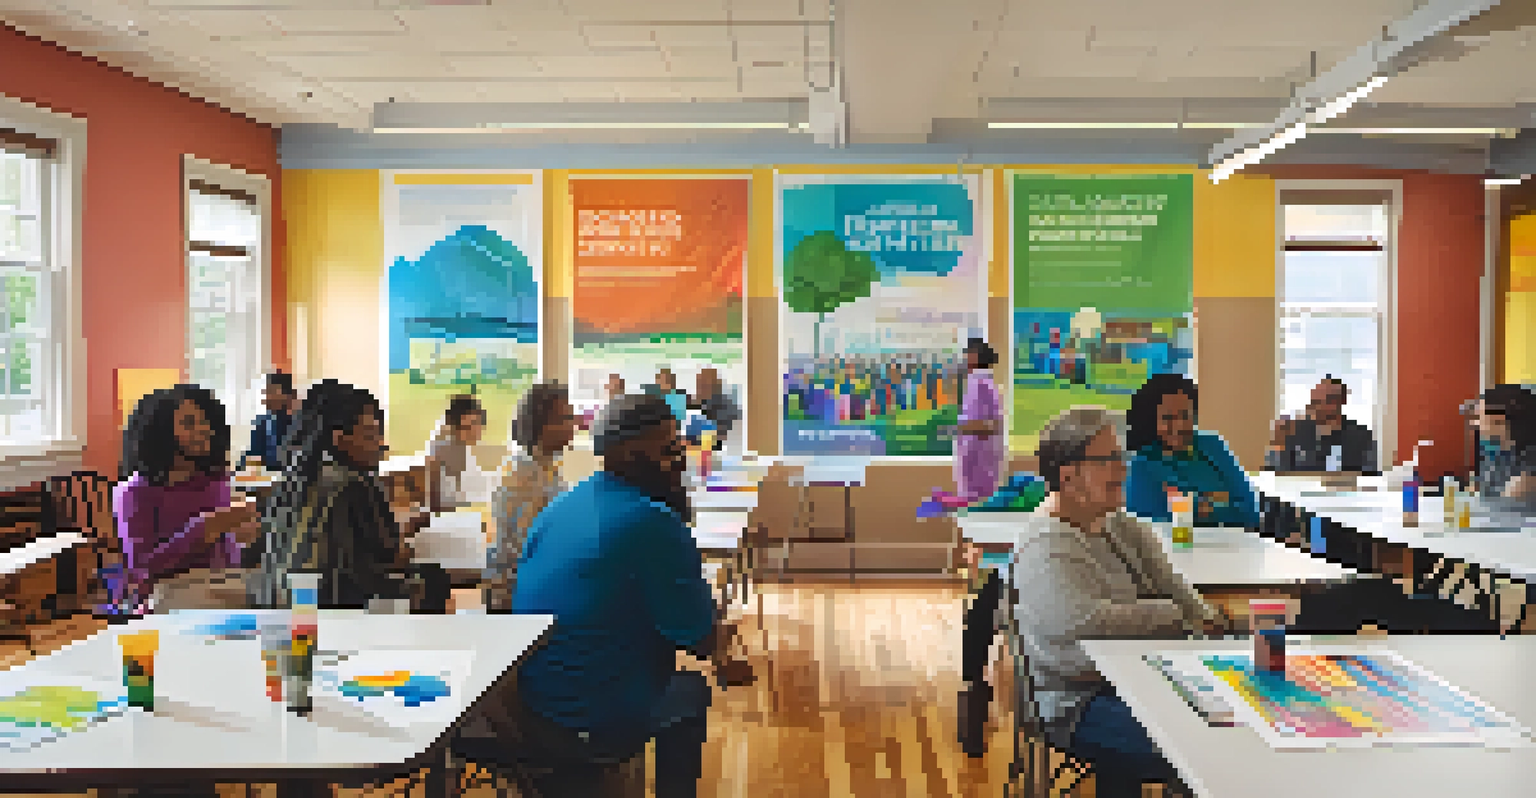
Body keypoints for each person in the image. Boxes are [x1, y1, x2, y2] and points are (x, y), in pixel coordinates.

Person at [508, 393, 751, 798]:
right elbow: (700, 640)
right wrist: (723, 642)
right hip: (587, 719)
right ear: (627, 454)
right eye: (669, 449)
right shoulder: (651, 521)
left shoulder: (565, 504)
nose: (679, 458)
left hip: (534, 701)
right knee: (690, 693)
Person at [1015, 406, 1224, 797]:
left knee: (1229, 726)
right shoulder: (1046, 548)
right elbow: (1086, 632)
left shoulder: (1118, 524)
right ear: (1068, 474)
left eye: (1121, 455)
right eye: (1109, 459)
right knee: (1203, 745)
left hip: (1143, 678)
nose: (1123, 467)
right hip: (1075, 704)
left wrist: (1204, 617)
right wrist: (1175, 618)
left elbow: (1171, 584)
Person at [254, 380, 416, 609]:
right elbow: (391, 557)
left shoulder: (290, 480)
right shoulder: (354, 484)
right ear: (339, 439)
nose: (381, 444)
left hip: (279, 611)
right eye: (371, 435)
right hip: (337, 615)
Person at [114, 385, 262, 610]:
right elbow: (142, 566)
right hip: (168, 593)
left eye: (205, 421)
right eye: (189, 424)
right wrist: (204, 530)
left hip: (226, 585)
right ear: (159, 432)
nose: (204, 430)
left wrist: (243, 535)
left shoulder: (215, 479)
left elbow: (226, 551)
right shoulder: (135, 492)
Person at [486, 381, 578, 612]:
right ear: (540, 425)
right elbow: (527, 547)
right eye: (564, 419)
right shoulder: (524, 477)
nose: (573, 425)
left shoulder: (545, 467)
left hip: (534, 586)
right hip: (520, 596)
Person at [1125, 374, 1260, 527]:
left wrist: (1191, 505)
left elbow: (1250, 510)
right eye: (1168, 418)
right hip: (1172, 549)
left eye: (1185, 415)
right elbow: (1151, 524)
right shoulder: (1142, 464)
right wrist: (1217, 501)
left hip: (1232, 545)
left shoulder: (1213, 446)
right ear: (1152, 420)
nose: (1179, 426)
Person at [1266, 377, 1379, 474]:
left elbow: (1372, 476)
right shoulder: (1296, 431)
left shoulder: (1361, 436)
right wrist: (1277, 447)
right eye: (1313, 402)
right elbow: (1276, 472)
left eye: (1319, 402)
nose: (1313, 408)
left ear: (1339, 402)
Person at [425, 394, 488, 512]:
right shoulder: (445, 450)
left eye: (478, 423)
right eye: (468, 426)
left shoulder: (462, 448)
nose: (477, 431)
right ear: (454, 426)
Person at [1473, 384, 1536, 501]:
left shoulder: (1529, 462)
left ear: (1500, 421)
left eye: (1480, 418)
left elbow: (1507, 502)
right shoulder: (1494, 450)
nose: (1476, 423)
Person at [238, 371, 297, 471]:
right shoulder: (262, 422)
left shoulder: (297, 423)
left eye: (272, 392)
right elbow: (254, 451)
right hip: (265, 476)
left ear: (288, 396)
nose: (266, 399)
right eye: (267, 392)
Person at [688, 367, 740, 449]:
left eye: (704, 385)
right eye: (699, 385)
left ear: (717, 385)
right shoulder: (698, 404)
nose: (700, 389)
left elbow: (722, 437)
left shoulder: (725, 406)